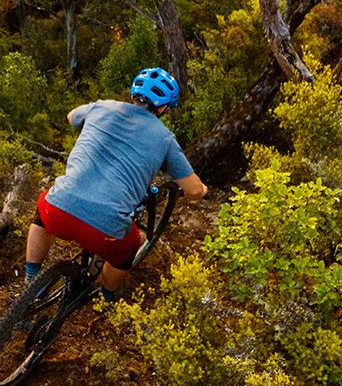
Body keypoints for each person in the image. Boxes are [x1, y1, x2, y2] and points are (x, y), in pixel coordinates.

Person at [24, 67, 208, 301]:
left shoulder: (102, 106)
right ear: (163, 108)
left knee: (42, 213)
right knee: (127, 252)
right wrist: (203, 190)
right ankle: (107, 296)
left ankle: (30, 282)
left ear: (133, 94)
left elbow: (71, 118)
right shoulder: (165, 139)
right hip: (106, 228)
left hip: (59, 209)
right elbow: (193, 191)